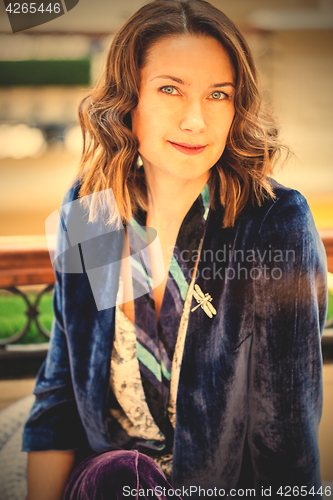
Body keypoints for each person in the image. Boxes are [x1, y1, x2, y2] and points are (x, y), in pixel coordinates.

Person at [23, 0, 328, 499]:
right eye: (170, 89)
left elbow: (285, 440)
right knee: (121, 474)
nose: (195, 120)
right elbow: (58, 400)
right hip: (103, 485)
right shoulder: (95, 208)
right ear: (128, 101)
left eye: (218, 95)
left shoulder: (272, 223)